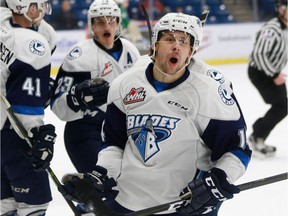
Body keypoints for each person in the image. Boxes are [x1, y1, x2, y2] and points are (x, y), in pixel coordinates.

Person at [61, 12, 252, 216]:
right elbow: (114, 144)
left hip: (185, 205)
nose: (176, 45)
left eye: (184, 41)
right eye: (169, 39)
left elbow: (237, 149)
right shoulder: (124, 85)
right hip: (129, 202)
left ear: (191, 52)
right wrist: (103, 173)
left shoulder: (208, 92)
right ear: (154, 45)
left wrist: (220, 178)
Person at [0, 0, 57, 216]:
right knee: (33, 206)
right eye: (40, 5)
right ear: (30, 8)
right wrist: (37, 138)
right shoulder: (33, 42)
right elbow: (25, 106)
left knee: (5, 204)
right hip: (13, 136)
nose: (43, 10)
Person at [247, 0, 287, 158]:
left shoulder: (285, 27)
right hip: (260, 72)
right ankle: (256, 137)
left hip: (271, 71)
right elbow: (259, 55)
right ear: (281, 9)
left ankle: (258, 135)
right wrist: (274, 74)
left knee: (283, 106)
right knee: (282, 106)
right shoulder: (272, 28)